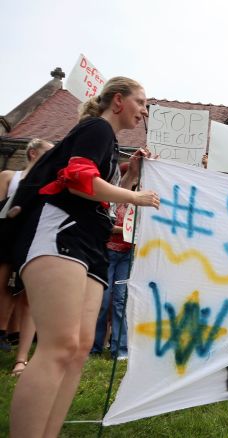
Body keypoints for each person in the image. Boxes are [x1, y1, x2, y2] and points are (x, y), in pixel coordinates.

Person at [9, 76, 161, 437]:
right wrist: (137, 197)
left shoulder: (110, 146)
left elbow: (101, 198)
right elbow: (78, 181)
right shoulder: (97, 128)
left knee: (77, 349)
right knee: (58, 346)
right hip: (63, 234)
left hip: (92, 246)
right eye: (141, 102)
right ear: (119, 100)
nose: (144, 111)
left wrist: (130, 179)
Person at [0, 138, 54, 375]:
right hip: (6, 237)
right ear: (33, 153)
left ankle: (17, 336)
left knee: (24, 291)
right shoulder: (9, 176)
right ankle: (3, 331)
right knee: (4, 285)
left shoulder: (47, 181)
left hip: (31, 238)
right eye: (47, 153)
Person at [90, 163, 133, 360]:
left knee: (119, 301)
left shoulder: (135, 202)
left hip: (126, 255)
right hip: (108, 254)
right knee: (103, 300)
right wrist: (125, 230)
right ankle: (94, 346)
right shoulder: (112, 200)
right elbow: (104, 225)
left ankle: (120, 349)